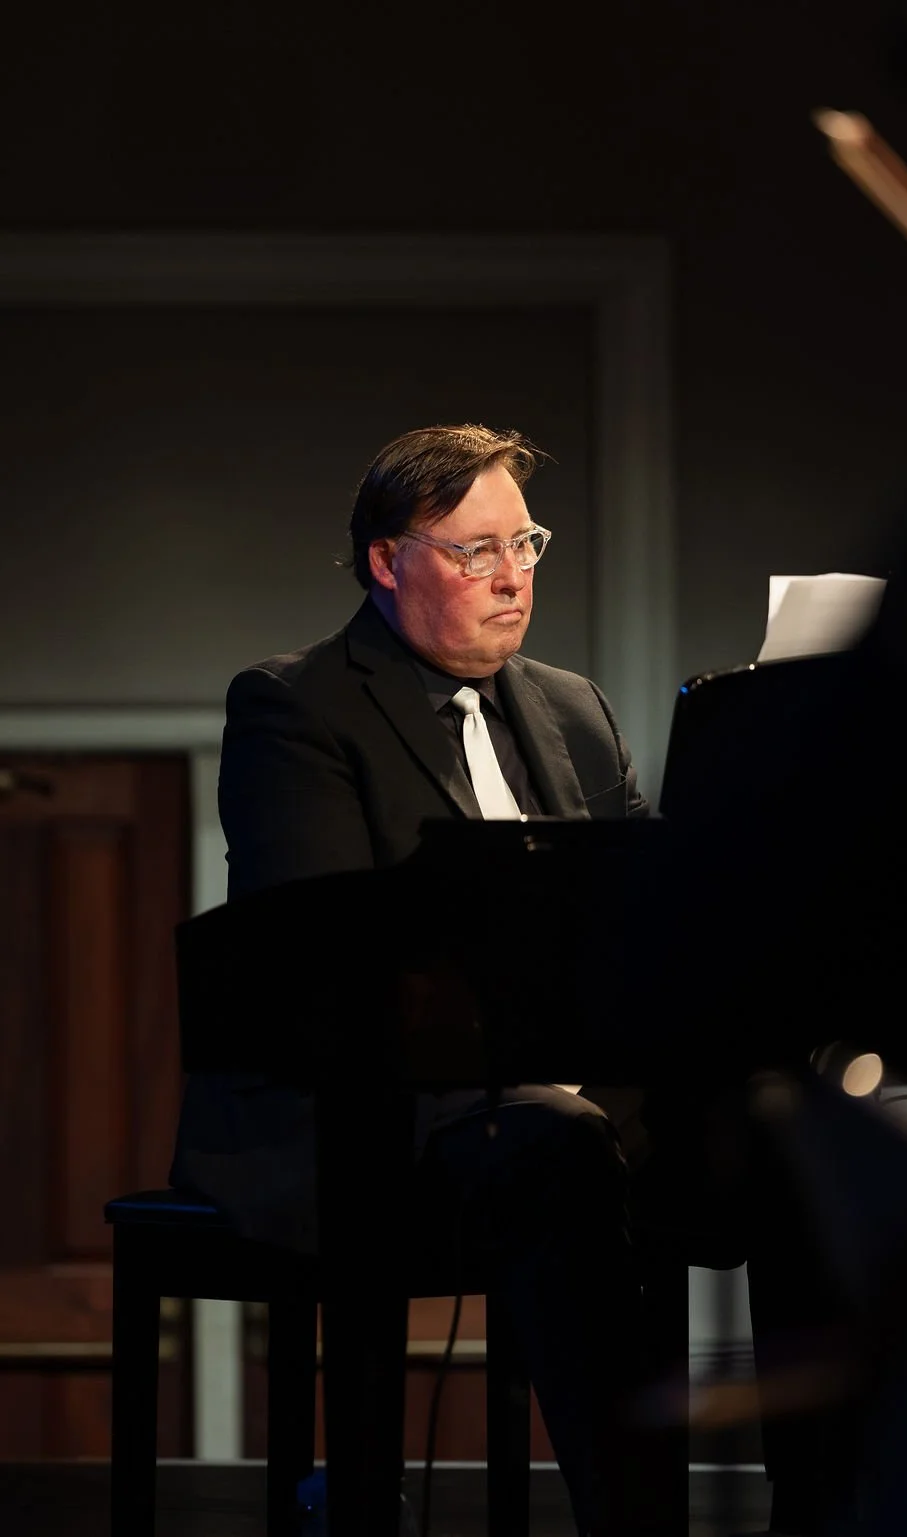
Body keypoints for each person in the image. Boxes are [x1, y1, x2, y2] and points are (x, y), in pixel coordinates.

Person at [170, 422, 681, 1536]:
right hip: (369, 1113)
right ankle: (635, 1524)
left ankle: (824, 1502)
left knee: (772, 1117)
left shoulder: (575, 706)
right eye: (475, 551)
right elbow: (323, 952)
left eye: (526, 544)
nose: (513, 577)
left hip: (560, 1090)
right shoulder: (296, 705)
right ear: (387, 561)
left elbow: (645, 909)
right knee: (562, 1143)